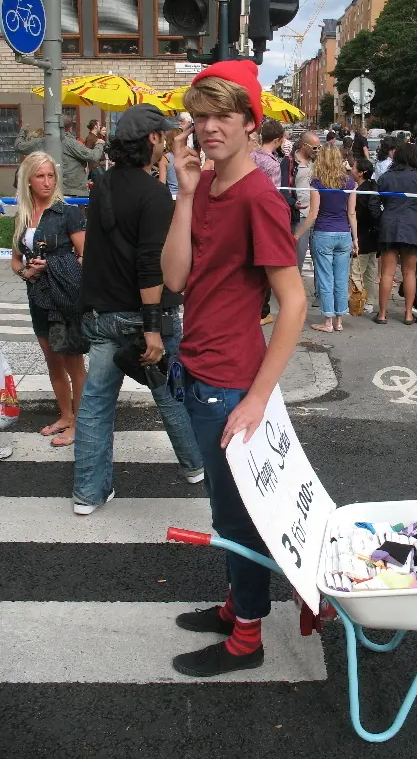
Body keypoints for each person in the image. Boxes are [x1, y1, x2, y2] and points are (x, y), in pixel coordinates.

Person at [161, 60, 307, 678]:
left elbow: (294, 303)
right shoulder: (213, 187)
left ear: (252, 123)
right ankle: (236, 606)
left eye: (224, 115)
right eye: (202, 115)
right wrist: (187, 192)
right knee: (229, 513)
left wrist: (255, 398)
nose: (209, 126)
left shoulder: (256, 196)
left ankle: (247, 638)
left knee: (237, 518)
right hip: (198, 370)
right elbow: (173, 279)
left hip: (229, 385)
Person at [73, 104, 205, 516]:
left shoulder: (104, 184)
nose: (166, 140)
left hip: (103, 315)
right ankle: (196, 467)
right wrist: (151, 329)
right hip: (147, 316)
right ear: (152, 139)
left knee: (95, 403)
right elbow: (150, 265)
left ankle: (88, 494)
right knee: (170, 395)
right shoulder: (152, 195)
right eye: (163, 136)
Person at [11, 152, 87, 447]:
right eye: (40, 176)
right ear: (28, 180)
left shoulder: (67, 212)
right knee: (52, 360)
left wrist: (53, 266)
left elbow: (85, 255)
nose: (47, 182)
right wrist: (26, 273)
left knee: (73, 362)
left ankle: (80, 423)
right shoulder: (23, 215)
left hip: (64, 296)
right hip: (37, 295)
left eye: (50, 176)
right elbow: (16, 261)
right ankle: (66, 416)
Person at [294, 145, 357, 333]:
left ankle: (327, 321)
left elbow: (313, 214)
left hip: (323, 233)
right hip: (344, 233)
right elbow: (352, 213)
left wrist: (297, 234)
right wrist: (355, 238)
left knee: (325, 277)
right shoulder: (349, 183)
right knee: (341, 277)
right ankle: (339, 320)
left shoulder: (317, 182)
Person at [376, 142, 417, 325]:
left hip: (389, 225)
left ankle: (382, 314)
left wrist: (380, 216)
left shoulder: (387, 177)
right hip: (412, 226)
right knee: (409, 272)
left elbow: (374, 198)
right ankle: (408, 314)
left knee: (387, 272)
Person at [251, 120, 285, 326]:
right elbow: (275, 196)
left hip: (246, 212)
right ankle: (262, 312)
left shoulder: (250, 157)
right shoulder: (273, 164)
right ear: (279, 140)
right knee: (266, 268)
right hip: (264, 218)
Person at [280, 131, 320, 271]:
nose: (317, 151)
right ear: (304, 146)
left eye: (319, 148)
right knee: (297, 259)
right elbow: (283, 189)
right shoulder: (290, 162)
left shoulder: (317, 161)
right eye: (314, 148)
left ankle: (319, 293)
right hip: (300, 217)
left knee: (319, 262)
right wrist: (293, 203)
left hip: (318, 216)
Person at [350, 157, 381, 314]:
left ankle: (357, 301)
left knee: (356, 271)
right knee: (369, 271)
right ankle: (369, 302)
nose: (351, 169)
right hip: (374, 236)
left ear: (361, 173)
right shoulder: (373, 186)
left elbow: (356, 215)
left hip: (362, 236)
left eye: (354, 167)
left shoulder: (359, 193)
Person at [61, 115, 105, 198]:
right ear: (95, 126)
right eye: (99, 126)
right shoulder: (90, 138)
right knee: (102, 187)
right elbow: (90, 155)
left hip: (71, 185)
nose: (102, 128)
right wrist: (100, 144)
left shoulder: (94, 137)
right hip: (91, 169)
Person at [251, 120, 284, 187]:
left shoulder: (250, 155)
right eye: (281, 141)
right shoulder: (274, 165)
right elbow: (274, 192)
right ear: (276, 140)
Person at [161, 128, 183, 196]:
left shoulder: (165, 158)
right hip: (187, 196)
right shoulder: (188, 156)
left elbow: (162, 184)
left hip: (172, 195)